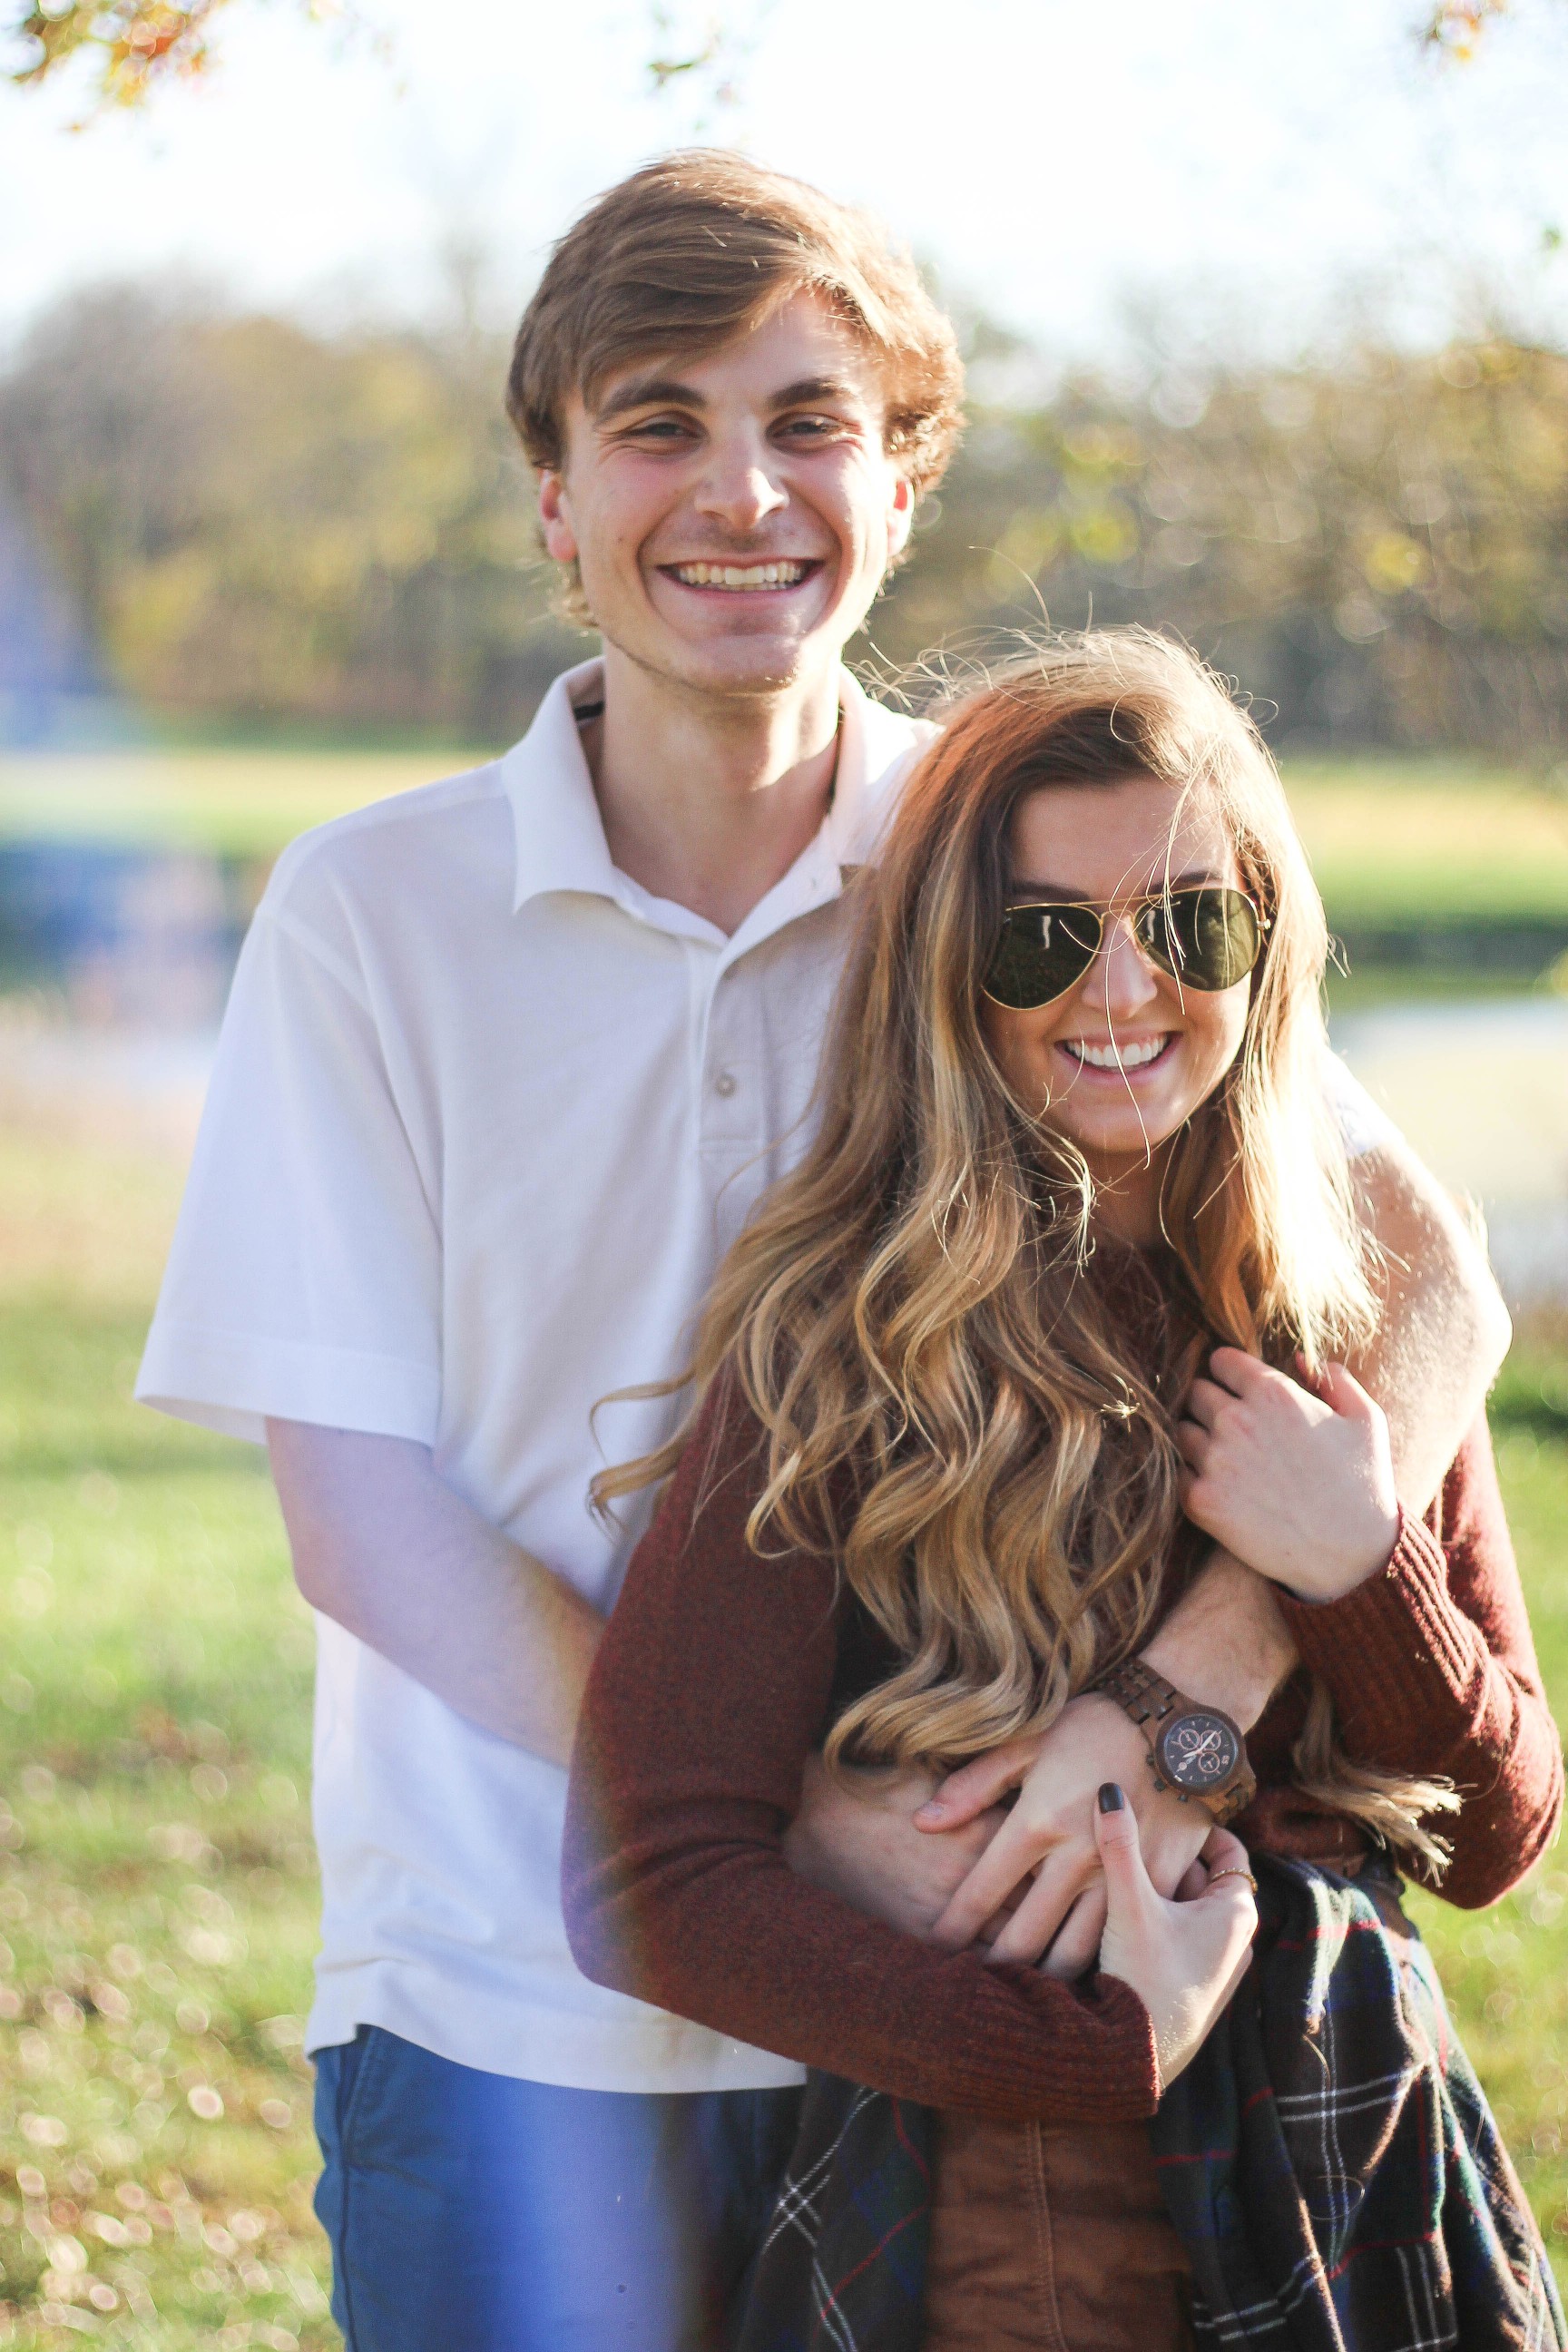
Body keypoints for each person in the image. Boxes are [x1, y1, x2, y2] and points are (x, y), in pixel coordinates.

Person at [135, 154, 1509, 2350]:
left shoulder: (1012, 858)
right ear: (555, 497)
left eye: (807, 420)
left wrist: (1193, 1688)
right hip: (507, 1999)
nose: (739, 491)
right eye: (657, 421)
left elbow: (1432, 1283)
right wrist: (784, 1823)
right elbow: (359, 1513)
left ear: (906, 476)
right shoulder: (367, 917)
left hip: (951, 2012)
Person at [563, 632, 1563, 2348]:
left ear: (1268, 949)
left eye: (1190, 925)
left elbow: (1493, 1839)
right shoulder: (843, 1344)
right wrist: (1082, 2048)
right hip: (1017, 2199)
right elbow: (647, 1875)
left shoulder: (1343, 1318)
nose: (1123, 993)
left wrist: (1357, 1567)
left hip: (1356, 2143)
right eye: (1045, 939)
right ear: (953, 972)